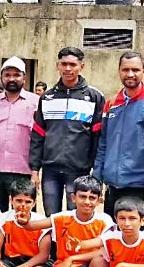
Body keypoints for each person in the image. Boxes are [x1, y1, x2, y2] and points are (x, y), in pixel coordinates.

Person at [29, 46, 105, 215]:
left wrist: (95, 170)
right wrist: (34, 169)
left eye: (72, 64)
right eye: (64, 64)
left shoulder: (94, 97)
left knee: (75, 218)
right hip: (50, 170)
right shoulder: (47, 98)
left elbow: (98, 137)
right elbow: (38, 135)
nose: (68, 68)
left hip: (79, 170)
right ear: (58, 65)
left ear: (81, 67)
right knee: (52, 218)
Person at [93, 51, 144, 230]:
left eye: (135, 70)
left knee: (140, 241)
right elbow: (103, 143)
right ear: (119, 71)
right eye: (126, 69)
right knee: (112, 238)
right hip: (113, 187)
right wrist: (97, 179)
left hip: (141, 187)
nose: (131, 74)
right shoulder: (111, 104)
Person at [34, 175, 114, 267]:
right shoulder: (63, 217)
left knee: (99, 261)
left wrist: (71, 259)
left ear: (99, 201)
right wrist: (23, 219)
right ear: (73, 198)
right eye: (82, 196)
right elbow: (32, 226)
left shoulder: (105, 220)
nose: (87, 202)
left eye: (92, 198)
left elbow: (106, 251)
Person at [0, 57, 38, 212]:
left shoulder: (36, 102)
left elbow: (40, 139)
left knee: (23, 218)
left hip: (23, 171)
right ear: (1, 77)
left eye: (16, 75)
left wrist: (37, 171)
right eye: (7, 75)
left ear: (24, 77)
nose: (11, 78)